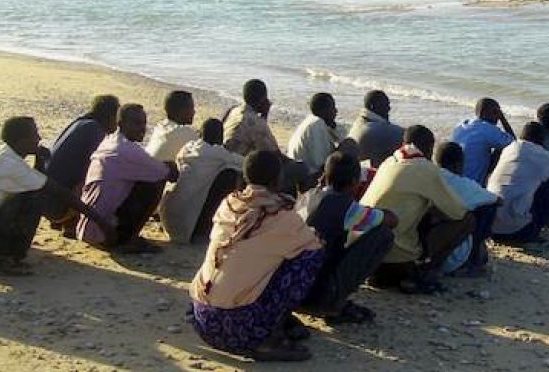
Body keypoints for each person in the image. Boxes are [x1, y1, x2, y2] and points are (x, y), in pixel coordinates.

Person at [0, 117, 114, 273]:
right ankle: (4, 257)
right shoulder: (11, 165)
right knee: (34, 197)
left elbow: (38, 179)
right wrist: (98, 219)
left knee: (33, 189)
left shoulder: (0, 153)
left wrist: (39, 159)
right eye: (34, 135)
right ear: (21, 141)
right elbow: (55, 190)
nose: (39, 138)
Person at [189, 150, 323, 362]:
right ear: (276, 180)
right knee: (310, 257)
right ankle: (267, 338)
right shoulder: (280, 217)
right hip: (236, 328)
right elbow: (313, 244)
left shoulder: (229, 205)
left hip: (202, 317)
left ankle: (272, 321)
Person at [362, 125, 474, 294]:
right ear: (429, 148)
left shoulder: (390, 161)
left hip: (367, 253)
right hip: (394, 257)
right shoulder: (425, 168)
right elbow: (458, 211)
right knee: (467, 220)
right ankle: (426, 271)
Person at [295, 151, 396, 324]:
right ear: (354, 183)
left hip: (294, 289)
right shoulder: (345, 206)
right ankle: (333, 304)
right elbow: (392, 220)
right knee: (383, 234)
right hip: (316, 291)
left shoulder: (308, 196)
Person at [77, 104, 179, 253]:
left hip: (87, 227)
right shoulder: (127, 150)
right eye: (136, 123)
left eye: (144, 123)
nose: (142, 128)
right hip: (103, 232)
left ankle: (125, 235)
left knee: (148, 174)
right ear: (121, 123)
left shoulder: (109, 141)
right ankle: (128, 239)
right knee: (155, 181)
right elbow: (168, 174)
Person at [45, 94, 120, 237]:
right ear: (110, 116)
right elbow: (95, 171)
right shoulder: (95, 131)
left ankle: (64, 220)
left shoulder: (79, 123)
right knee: (102, 177)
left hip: (46, 200)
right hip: (58, 206)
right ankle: (71, 224)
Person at [159, 118, 244, 244]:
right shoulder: (218, 153)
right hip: (186, 225)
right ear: (221, 137)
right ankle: (214, 225)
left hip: (168, 217)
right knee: (231, 175)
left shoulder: (188, 147)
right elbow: (246, 164)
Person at [487, 122, 549, 246]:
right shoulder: (542, 155)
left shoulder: (508, 149)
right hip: (516, 230)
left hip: (491, 226)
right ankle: (533, 232)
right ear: (542, 139)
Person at [223, 79, 311, 193]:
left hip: (229, 163)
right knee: (301, 169)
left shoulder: (234, 111)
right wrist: (295, 163)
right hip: (245, 170)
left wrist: (264, 115)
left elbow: (259, 140)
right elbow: (276, 155)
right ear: (262, 99)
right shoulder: (256, 122)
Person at [432, 142, 500, 277]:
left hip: (426, 249)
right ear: (458, 164)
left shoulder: (428, 178)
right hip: (453, 259)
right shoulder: (464, 185)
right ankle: (474, 255)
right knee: (487, 208)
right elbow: (498, 200)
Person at [450, 98, 515, 185]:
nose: (498, 117)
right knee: (504, 148)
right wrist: (503, 119)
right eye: (496, 113)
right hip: (472, 183)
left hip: (454, 178)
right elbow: (513, 143)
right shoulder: (487, 128)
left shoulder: (462, 125)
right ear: (487, 113)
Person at [287, 93, 344, 175]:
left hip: (302, 169)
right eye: (333, 107)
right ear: (324, 110)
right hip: (309, 174)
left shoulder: (311, 121)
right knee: (348, 146)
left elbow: (341, 137)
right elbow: (320, 162)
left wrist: (333, 128)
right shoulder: (317, 125)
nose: (336, 111)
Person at [347, 90, 404, 168]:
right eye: (385, 105)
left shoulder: (359, 122)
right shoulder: (377, 129)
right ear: (372, 106)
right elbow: (408, 135)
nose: (389, 108)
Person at [145, 90, 197, 162]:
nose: (194, 112)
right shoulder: (184, 132)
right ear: (182, 111)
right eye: (191, 108)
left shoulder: (160, 127)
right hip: (160, 172)